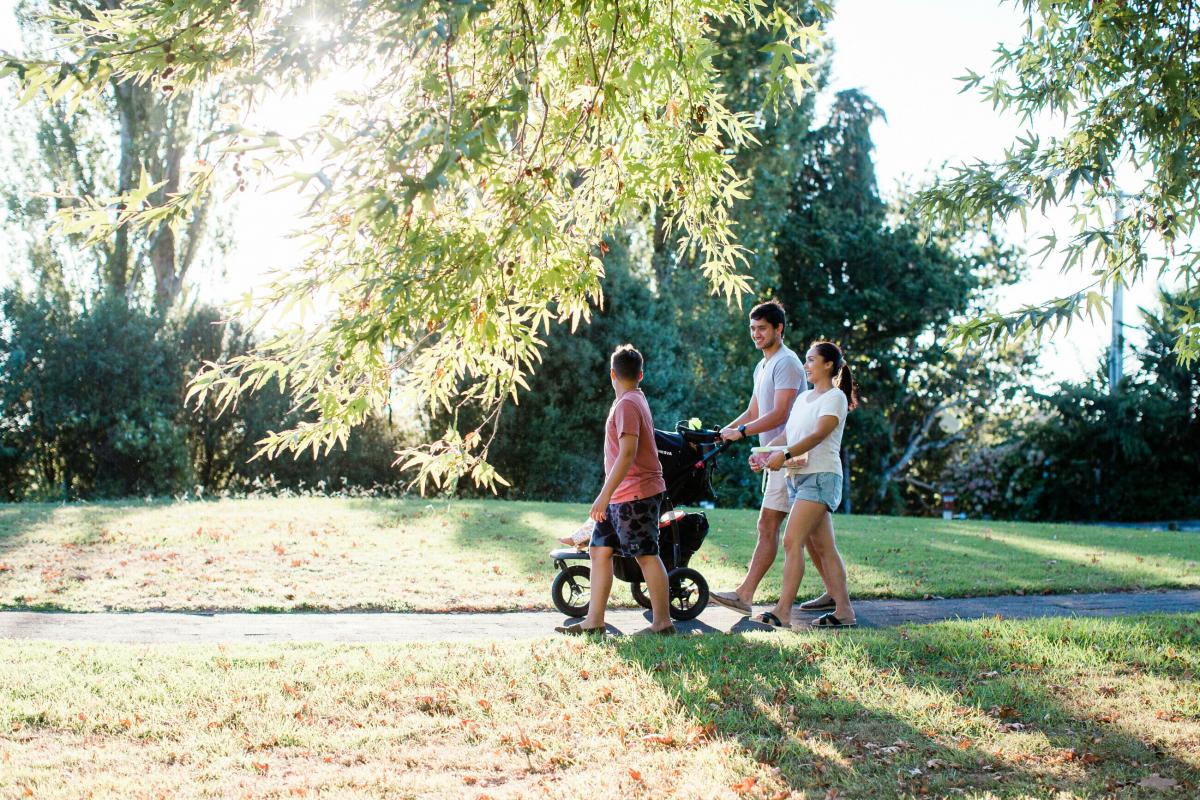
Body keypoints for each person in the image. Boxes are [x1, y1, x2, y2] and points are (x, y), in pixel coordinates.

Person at [711, 300, 835, 615]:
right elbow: (754, 411)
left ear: (779, 329)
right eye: (753, 328)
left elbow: (781, 413)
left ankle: (744, 595)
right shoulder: (763, 366)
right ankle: (836, 595)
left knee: (769, 525)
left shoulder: (787, 363)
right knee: (812, 536)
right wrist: (724, 432)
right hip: (775, 457)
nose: (756, 334)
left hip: (792, 457)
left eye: (762, 328)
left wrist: (742, 433)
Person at [555, 344, 676, 636]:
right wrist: (609, 496)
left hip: (635, 493)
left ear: (612, 374)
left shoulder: (627, 405)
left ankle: (663, 624)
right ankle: (594, 621)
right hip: (620, 495)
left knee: (646, 554)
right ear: (640, 375)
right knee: (599, 550)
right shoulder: (634, 399)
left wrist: (603, 495)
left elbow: (628, 453)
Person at [753, 341, 858, 629]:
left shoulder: (835, 398)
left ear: (828, 364)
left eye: (811, 360)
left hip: (821, 477)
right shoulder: (803, 399)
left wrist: (784, 455)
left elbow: (818, 435)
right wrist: (763, 454)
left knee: (791, 540)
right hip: (797, 478)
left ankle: (783, 611)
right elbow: (788, 435)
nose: (805, 365)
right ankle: (844, 611)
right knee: (825, 548)